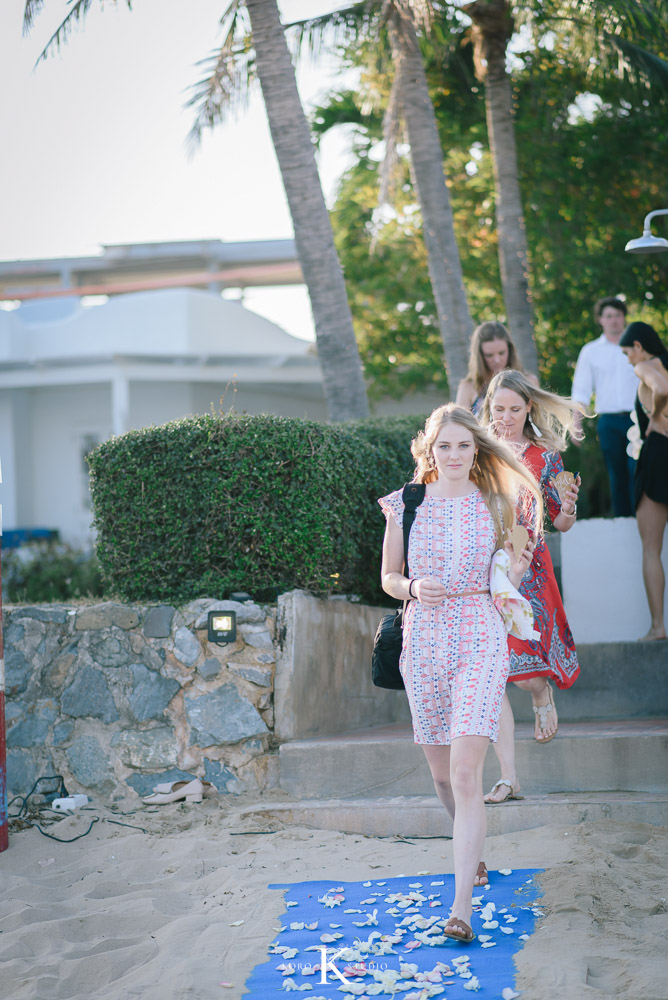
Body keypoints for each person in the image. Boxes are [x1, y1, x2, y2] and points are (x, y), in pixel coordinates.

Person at [379, 404, 540, 944]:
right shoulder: (406, 504)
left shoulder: (496, 502)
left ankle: (461, 909)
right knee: (444, 777)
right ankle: (471, 848)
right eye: (444, 446)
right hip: (423, 641)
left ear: (476, 450)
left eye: (463, 446)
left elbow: (514, 560)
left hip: (479, 633)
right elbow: (387, 578)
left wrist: (514, 568)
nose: (453, 455)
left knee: (468, 774)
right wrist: (412, 588)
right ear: (430, 450)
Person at [479, 370, 584, 803]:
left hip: (529, 565)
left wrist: (571, 507)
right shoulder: (475, 453)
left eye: (514, 409)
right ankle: (508, 776)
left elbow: (559, 522)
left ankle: (541, 690)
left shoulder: (544, 458)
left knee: (524, 675)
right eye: (498, 408)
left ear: (528, 410)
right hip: (482, 567)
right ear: (488, 408)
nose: (505, 417)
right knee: (494, 670)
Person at [619, 321, 668, 641]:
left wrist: (654, 416)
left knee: (651, 549)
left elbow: (662, 389)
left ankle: (657, 627)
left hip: (658, 455)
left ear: (638, 346)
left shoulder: (646, 366)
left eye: (627, 353)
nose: (628, 361)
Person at [571, 297, 639, 517]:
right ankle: (623, 520)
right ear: (600, 320)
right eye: (609, 316)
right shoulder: (591, 351)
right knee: (617, 473)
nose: (614, 320)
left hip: (638, 419)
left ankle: (644, 517)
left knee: (637, 470)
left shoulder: (637, 347)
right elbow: (581, 390)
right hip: (609, 422)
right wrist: (576, 423)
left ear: (624, 318)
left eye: (618, 315)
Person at [456, 321, 538, 416]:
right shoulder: (468, 387)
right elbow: (460, 426)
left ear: (510, 350)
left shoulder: (528, 381)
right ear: (480, 356)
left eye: (501, 353)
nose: (497, 360)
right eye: (489, 355)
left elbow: (538, 422)